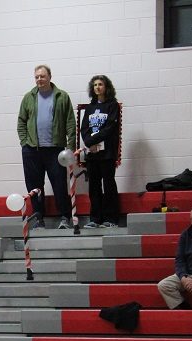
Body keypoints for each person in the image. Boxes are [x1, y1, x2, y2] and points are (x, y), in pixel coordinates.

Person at [17, 64, 76, 230]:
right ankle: (38, 219)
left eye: (42, 76)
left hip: (55, 150)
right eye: (36, 77)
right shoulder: (28, 97)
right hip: (32, 151)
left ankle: (65, 217)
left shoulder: (62, 96)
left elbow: (70, 123)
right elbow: (21, 122)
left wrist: (70, 147)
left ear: (49, 76)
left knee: (59, 184)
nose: (39, 79)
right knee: (35, 187)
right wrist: (24, 143)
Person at [80, 75, 121, 229]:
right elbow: (84, 128)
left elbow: (110, 127)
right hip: (92, 153)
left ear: (106, 87)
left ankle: (111, 218)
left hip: (107, 153)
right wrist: (89, 142)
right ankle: (95, 218)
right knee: (94, 186)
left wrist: (94, 140)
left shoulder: (112, 105)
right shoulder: (90, 108)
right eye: (95, 85)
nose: (97, 87)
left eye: (101, 84)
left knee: (108, 184)